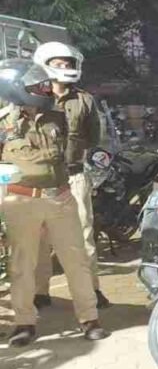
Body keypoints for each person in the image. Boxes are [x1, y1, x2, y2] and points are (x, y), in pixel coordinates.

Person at [0, 59, 109, 347]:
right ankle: (24, 323)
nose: (46, 89)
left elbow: (75, 148)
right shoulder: (3, 124)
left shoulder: (57, 117)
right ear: (16, 88)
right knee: (22, 265)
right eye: (38, 86)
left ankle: (89, 319)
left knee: (77, 261)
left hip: (60, 198)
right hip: (21, 202)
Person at [30, 41, 109, 310]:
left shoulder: (84, 100)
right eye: (58, 63)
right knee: (40, 237)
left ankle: (92, 289)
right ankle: (40, 292)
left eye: (68, 63)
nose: (64, 67)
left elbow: (94, 138)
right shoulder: (32, 97)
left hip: (74, 176)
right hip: (40, 178)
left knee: (83, 235)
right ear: (44, 64)